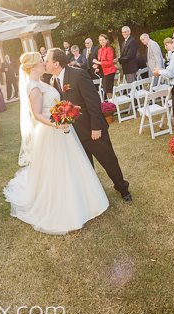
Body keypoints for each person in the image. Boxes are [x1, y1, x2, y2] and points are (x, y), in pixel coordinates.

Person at [3, 52, 109, 235]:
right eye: (40, 62)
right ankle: (66, 208)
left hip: (62, 129)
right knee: (59, 169)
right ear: (32, 67)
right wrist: (57, 125)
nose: (44, 63)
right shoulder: (33, 87)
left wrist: (64, 116)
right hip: (52, 132)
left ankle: (84, 199)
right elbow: (37, 115)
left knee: (73, 164)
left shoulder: (43, 83)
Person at [48, 48, 132, 202]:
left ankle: (122, 188)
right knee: (86, 165)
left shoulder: (77, 74)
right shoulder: (53, 81)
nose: (44, 63)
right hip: (74, 133)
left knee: (108, 160)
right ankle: (93, 193)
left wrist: (96, 127)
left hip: (93, 130)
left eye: (46, 61)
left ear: (56, 63)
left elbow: (93, 101)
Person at [92, 34, 116, 100]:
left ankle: (113, 106)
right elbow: (100, 61)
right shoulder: (99, 50)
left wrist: (98, 62)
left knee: (109, 90)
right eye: (100, 40)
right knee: (105, 90)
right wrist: (96, 66)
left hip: (109, 72)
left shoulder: (109, 49)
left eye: (103, 40)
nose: (101, 41)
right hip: (103, 72)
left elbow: (110, 62)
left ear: (106, 40)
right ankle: (110, 105)